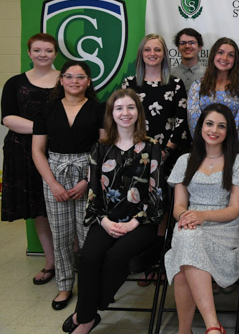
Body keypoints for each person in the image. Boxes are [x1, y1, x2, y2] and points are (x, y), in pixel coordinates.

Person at [61, 89, 163, 334]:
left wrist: (133, 224)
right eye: (119, 108)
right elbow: (93, 191)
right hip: (106, 219)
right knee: (88, 257)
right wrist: (104, 221)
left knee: (117, 258)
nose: (125, 113)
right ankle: (87, 315)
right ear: (111, 114)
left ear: (138, 112)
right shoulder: (100, 147)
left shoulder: (152, 147)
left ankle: (84, 317)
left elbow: (155, 194)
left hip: (141, 223)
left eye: (130, 107)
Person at [165, 103, 239, 334]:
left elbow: (234, 209)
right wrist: (187, 216)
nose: (214, 130)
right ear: (200, 127)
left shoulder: (238, 162)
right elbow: (179, 206)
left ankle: (190, 330)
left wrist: (201, 216)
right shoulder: (185, 160)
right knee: (188, 239)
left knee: (184, 266)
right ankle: (212, 326)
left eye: (221, 126)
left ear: (228, 131)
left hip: (224, 227)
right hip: (189, 222)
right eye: (209, 123)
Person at [32, 60, 105, 310]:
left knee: (88, 239)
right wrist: (52, 183)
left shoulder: (98, 109)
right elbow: (38, 151)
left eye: (81, 77)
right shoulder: (46, 110)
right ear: (61, 79)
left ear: (88, 81)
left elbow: (104, 149)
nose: (75, 81)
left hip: (88, 172)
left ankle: (89, 288)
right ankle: (64, 286)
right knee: (61, 236)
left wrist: (88, 180)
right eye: (70, 76)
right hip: (55, 174)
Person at [1, 33, 60, 286]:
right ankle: (50, 262)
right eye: (37, 50)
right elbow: (8, 119)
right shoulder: (14, 83)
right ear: (29, 53)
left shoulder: (68, 78)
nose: (43, 55)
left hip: (61, 151)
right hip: (23, 152)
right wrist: (44, 127)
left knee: (68, 205)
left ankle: (77, 259)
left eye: (48, 50)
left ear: (56, 53)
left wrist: (53, 132)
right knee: (39, 209)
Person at [122, 34, 188, 174]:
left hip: (167, 154)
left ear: (164, 54)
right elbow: (122, 120)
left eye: (157, 50)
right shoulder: (129, 84)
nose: (152, 54)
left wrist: (167, 151)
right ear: (141, 54)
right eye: (147, 50)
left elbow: (181, 121)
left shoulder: (175, 84)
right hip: (134, 152)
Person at [187, 37, 239, 168]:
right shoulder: (198, 86)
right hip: (205, 151)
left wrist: (223, 145)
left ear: (236, 60)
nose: (224, 58)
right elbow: (194, 122)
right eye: (220, 52)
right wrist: (211, 145)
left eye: (231, 55)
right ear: (213, 55)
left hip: (237, 151)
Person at [171, 28, 206, 92]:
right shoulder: (170, 74)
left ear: (200, 47)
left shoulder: (208, 74)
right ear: (178, 48)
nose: (187, 46)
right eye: (182, 43)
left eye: (191, 42)